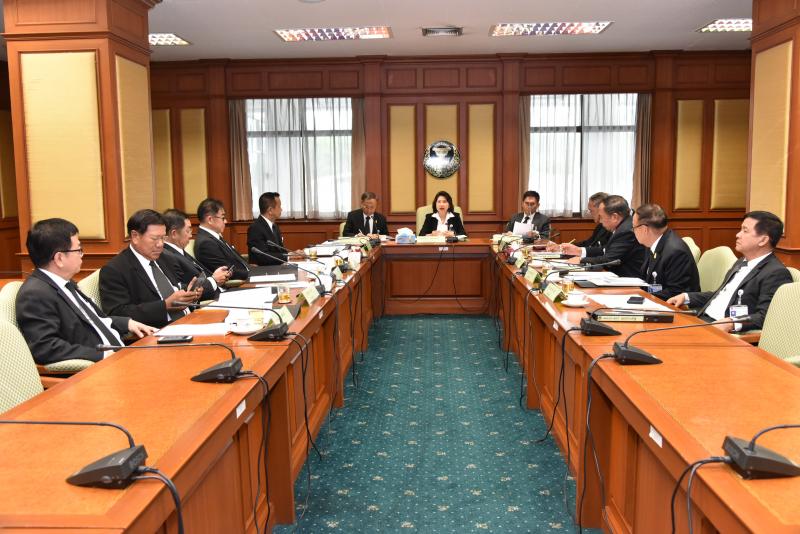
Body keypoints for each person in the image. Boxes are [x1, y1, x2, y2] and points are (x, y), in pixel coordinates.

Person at [15, 219, 155, 366]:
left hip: (120, 355)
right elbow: (46, 347)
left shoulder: (65, 282)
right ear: (59, 258)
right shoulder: (35, 295)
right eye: (78, 250)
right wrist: (102, 355)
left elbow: (92, 320)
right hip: (98, 368)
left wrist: (126, 322)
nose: (82, 255)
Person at [667, 211, 792, 332]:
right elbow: (720, 295)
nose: (738, 234)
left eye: (745, 231)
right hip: (702, 320)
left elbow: (765, 316)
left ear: (763, 240)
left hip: (723, 331)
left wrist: (732, 323)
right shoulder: (741, 262)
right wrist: (687, 297)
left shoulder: (776, 273)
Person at [100, 209, 200, 328]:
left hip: (190, 319)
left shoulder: (164, 257)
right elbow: (118, 313)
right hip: (157, 330)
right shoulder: (115, 270)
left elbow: (174, 287)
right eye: (154, 238)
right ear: (135, 236)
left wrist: (190, 294)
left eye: (163, 238)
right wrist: (164, 306)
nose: (160, 244)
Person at [560, 195, 645, 278]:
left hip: (627, 280)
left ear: (614, 217)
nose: (600, 221)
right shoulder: (622, 226)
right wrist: (579, 251)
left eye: (601, 217)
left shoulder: (626, 231)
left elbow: (609, 260)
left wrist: (581, 260)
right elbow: (605, 250)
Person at [632, 203, 699, 300]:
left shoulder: (675, 252)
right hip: (656, 300)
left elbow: (676, 293)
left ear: (644, 229)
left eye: (634, 227)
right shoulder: (653, 243)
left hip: (674, 305)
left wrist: (642, 296)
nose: (633, 231)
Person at [161, 208, 231, 301]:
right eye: (188, 230)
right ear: (174, 234)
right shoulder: (168, 256)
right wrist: (214, 280)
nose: (191, 235)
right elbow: (188, 290)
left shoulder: (179, 251)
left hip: (219, 293)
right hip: (208, 301)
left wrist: (217, 278)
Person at [195, 198, 251, 278]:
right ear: (210, 220)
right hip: (239, 281)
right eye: (223, 218)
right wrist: (252, 274)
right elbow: (227, 271)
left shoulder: (213, 236)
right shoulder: (206, 243)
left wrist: (253, 270)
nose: (225, 221)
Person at [247, 192, 290, 266]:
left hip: (277, 268)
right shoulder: (255, 228)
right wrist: (288, 257)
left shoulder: (274, 226)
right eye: (279, 206)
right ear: (270, 210)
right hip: (263, 270)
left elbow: (281, 251)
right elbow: (263, 256)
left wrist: (292, 255)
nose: (281, 209)